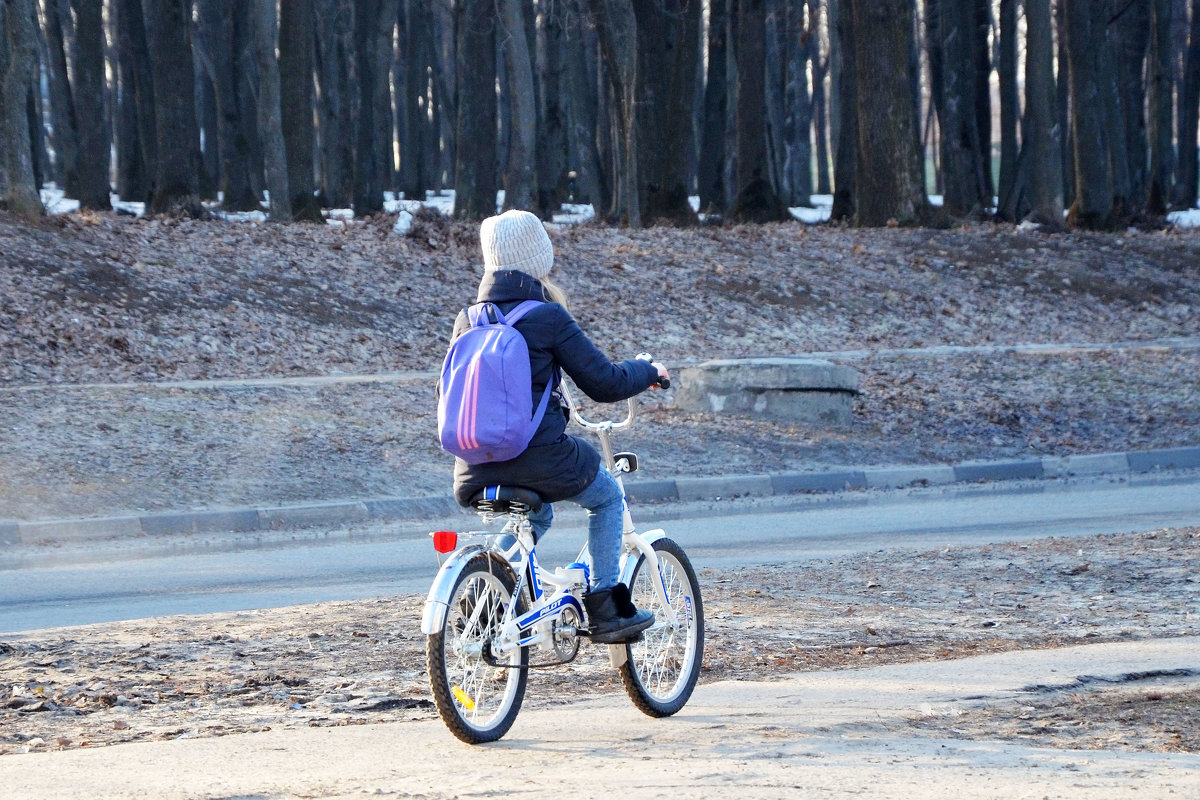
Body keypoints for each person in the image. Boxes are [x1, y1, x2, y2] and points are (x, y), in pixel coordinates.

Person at [448, 209, 670, 644]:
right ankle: (606, 604)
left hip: (472, 464)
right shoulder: (547, 317)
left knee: (536, 513)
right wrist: (648, 370)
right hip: (538, 459)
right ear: (538, 259)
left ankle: (489, 595)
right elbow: (605, 383)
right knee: (606, 496)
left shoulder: (468, 320)